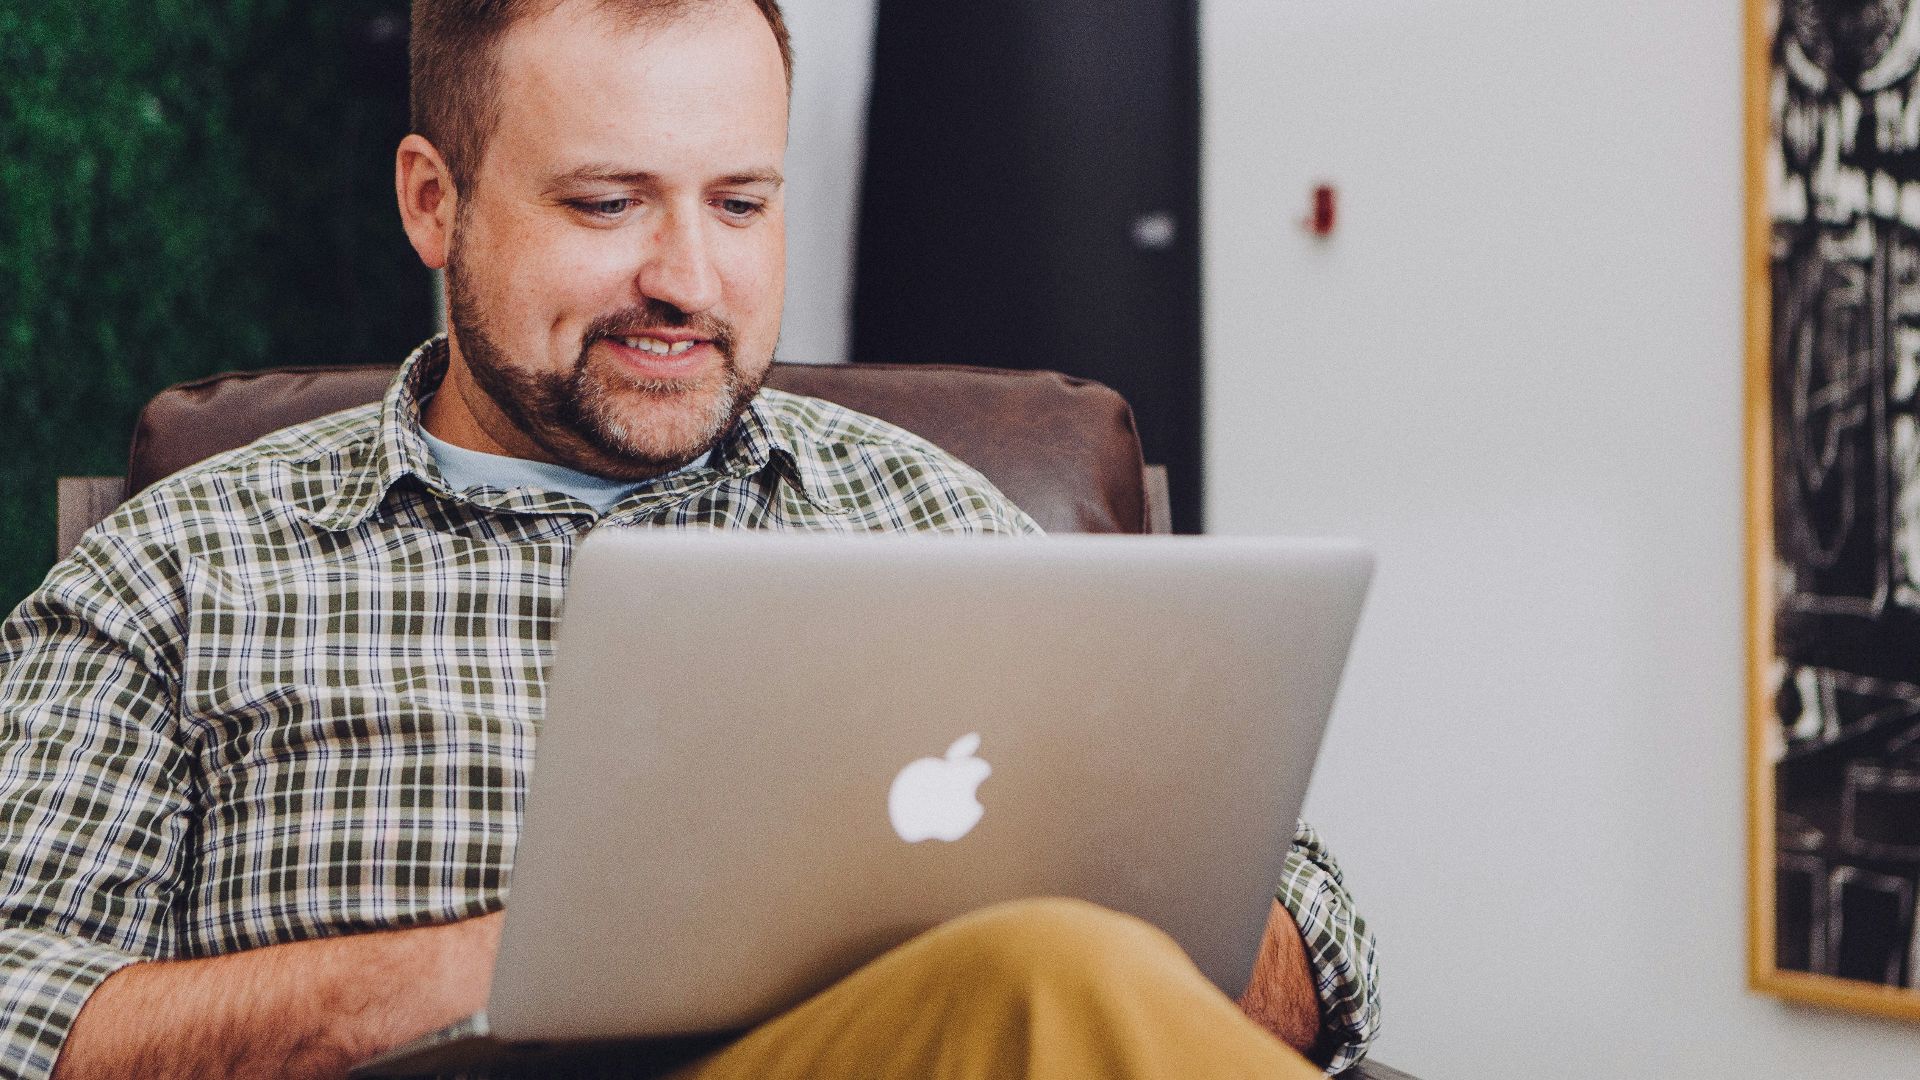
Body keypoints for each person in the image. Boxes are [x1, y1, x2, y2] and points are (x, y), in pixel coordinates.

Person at [0, 1, 1379, 1077]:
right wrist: (522, 968)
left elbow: (1314, 944)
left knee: (1050, 977)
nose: (688, 281)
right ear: (434, 201)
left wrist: (992, 922)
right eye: (607, 203)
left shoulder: (932, 517)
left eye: (740, 203)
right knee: (1049, 983)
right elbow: (18, 1005)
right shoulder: (183, 567)